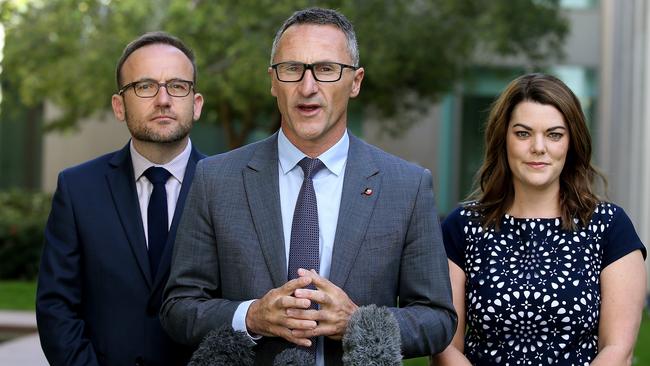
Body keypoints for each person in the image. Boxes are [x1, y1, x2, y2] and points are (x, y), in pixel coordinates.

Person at [160, 7, 456, 365]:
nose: (307, 87)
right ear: (273, 80)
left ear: (356, 81)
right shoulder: (216, 179)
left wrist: (359, 323)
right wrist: (251, 317)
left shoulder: (406, 186)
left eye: (327, 69)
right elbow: (178, 309)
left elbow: (438, 320)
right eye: (292, 69)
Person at [432, 73, 647, 366]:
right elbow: (445, 346)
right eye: (523, 133)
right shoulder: (463, 227)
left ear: (571, 143)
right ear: (502, 138)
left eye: (554, 134)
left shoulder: (609, 226)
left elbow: (618, 349)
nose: (538, 147)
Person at [36, 31, 205, 366]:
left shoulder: (230, 187)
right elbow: (56, 308)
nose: (163, 99)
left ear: (196, 104)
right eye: (144, 86)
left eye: (177, 85)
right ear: (119, 105)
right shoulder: (77, 189)